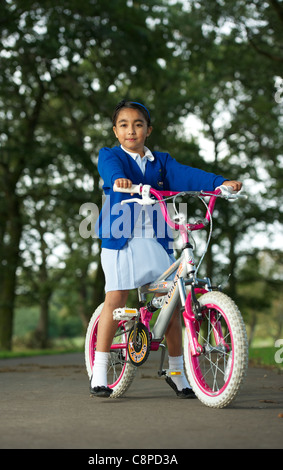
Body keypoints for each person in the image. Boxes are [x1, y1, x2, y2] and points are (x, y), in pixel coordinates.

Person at [91, 99, 242, 398]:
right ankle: (99, 369)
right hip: (121, 238)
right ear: (115, 131)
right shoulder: (111, 157)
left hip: (156, 238)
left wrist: (219, 183)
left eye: (138, 124)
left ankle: (177, 372)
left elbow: (186, 174)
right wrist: (120, 182)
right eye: (124, 125)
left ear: (149, 130)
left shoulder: (161, 162)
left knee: (172, 302)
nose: (131, 130)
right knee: (116, 298)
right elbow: (109, 170)